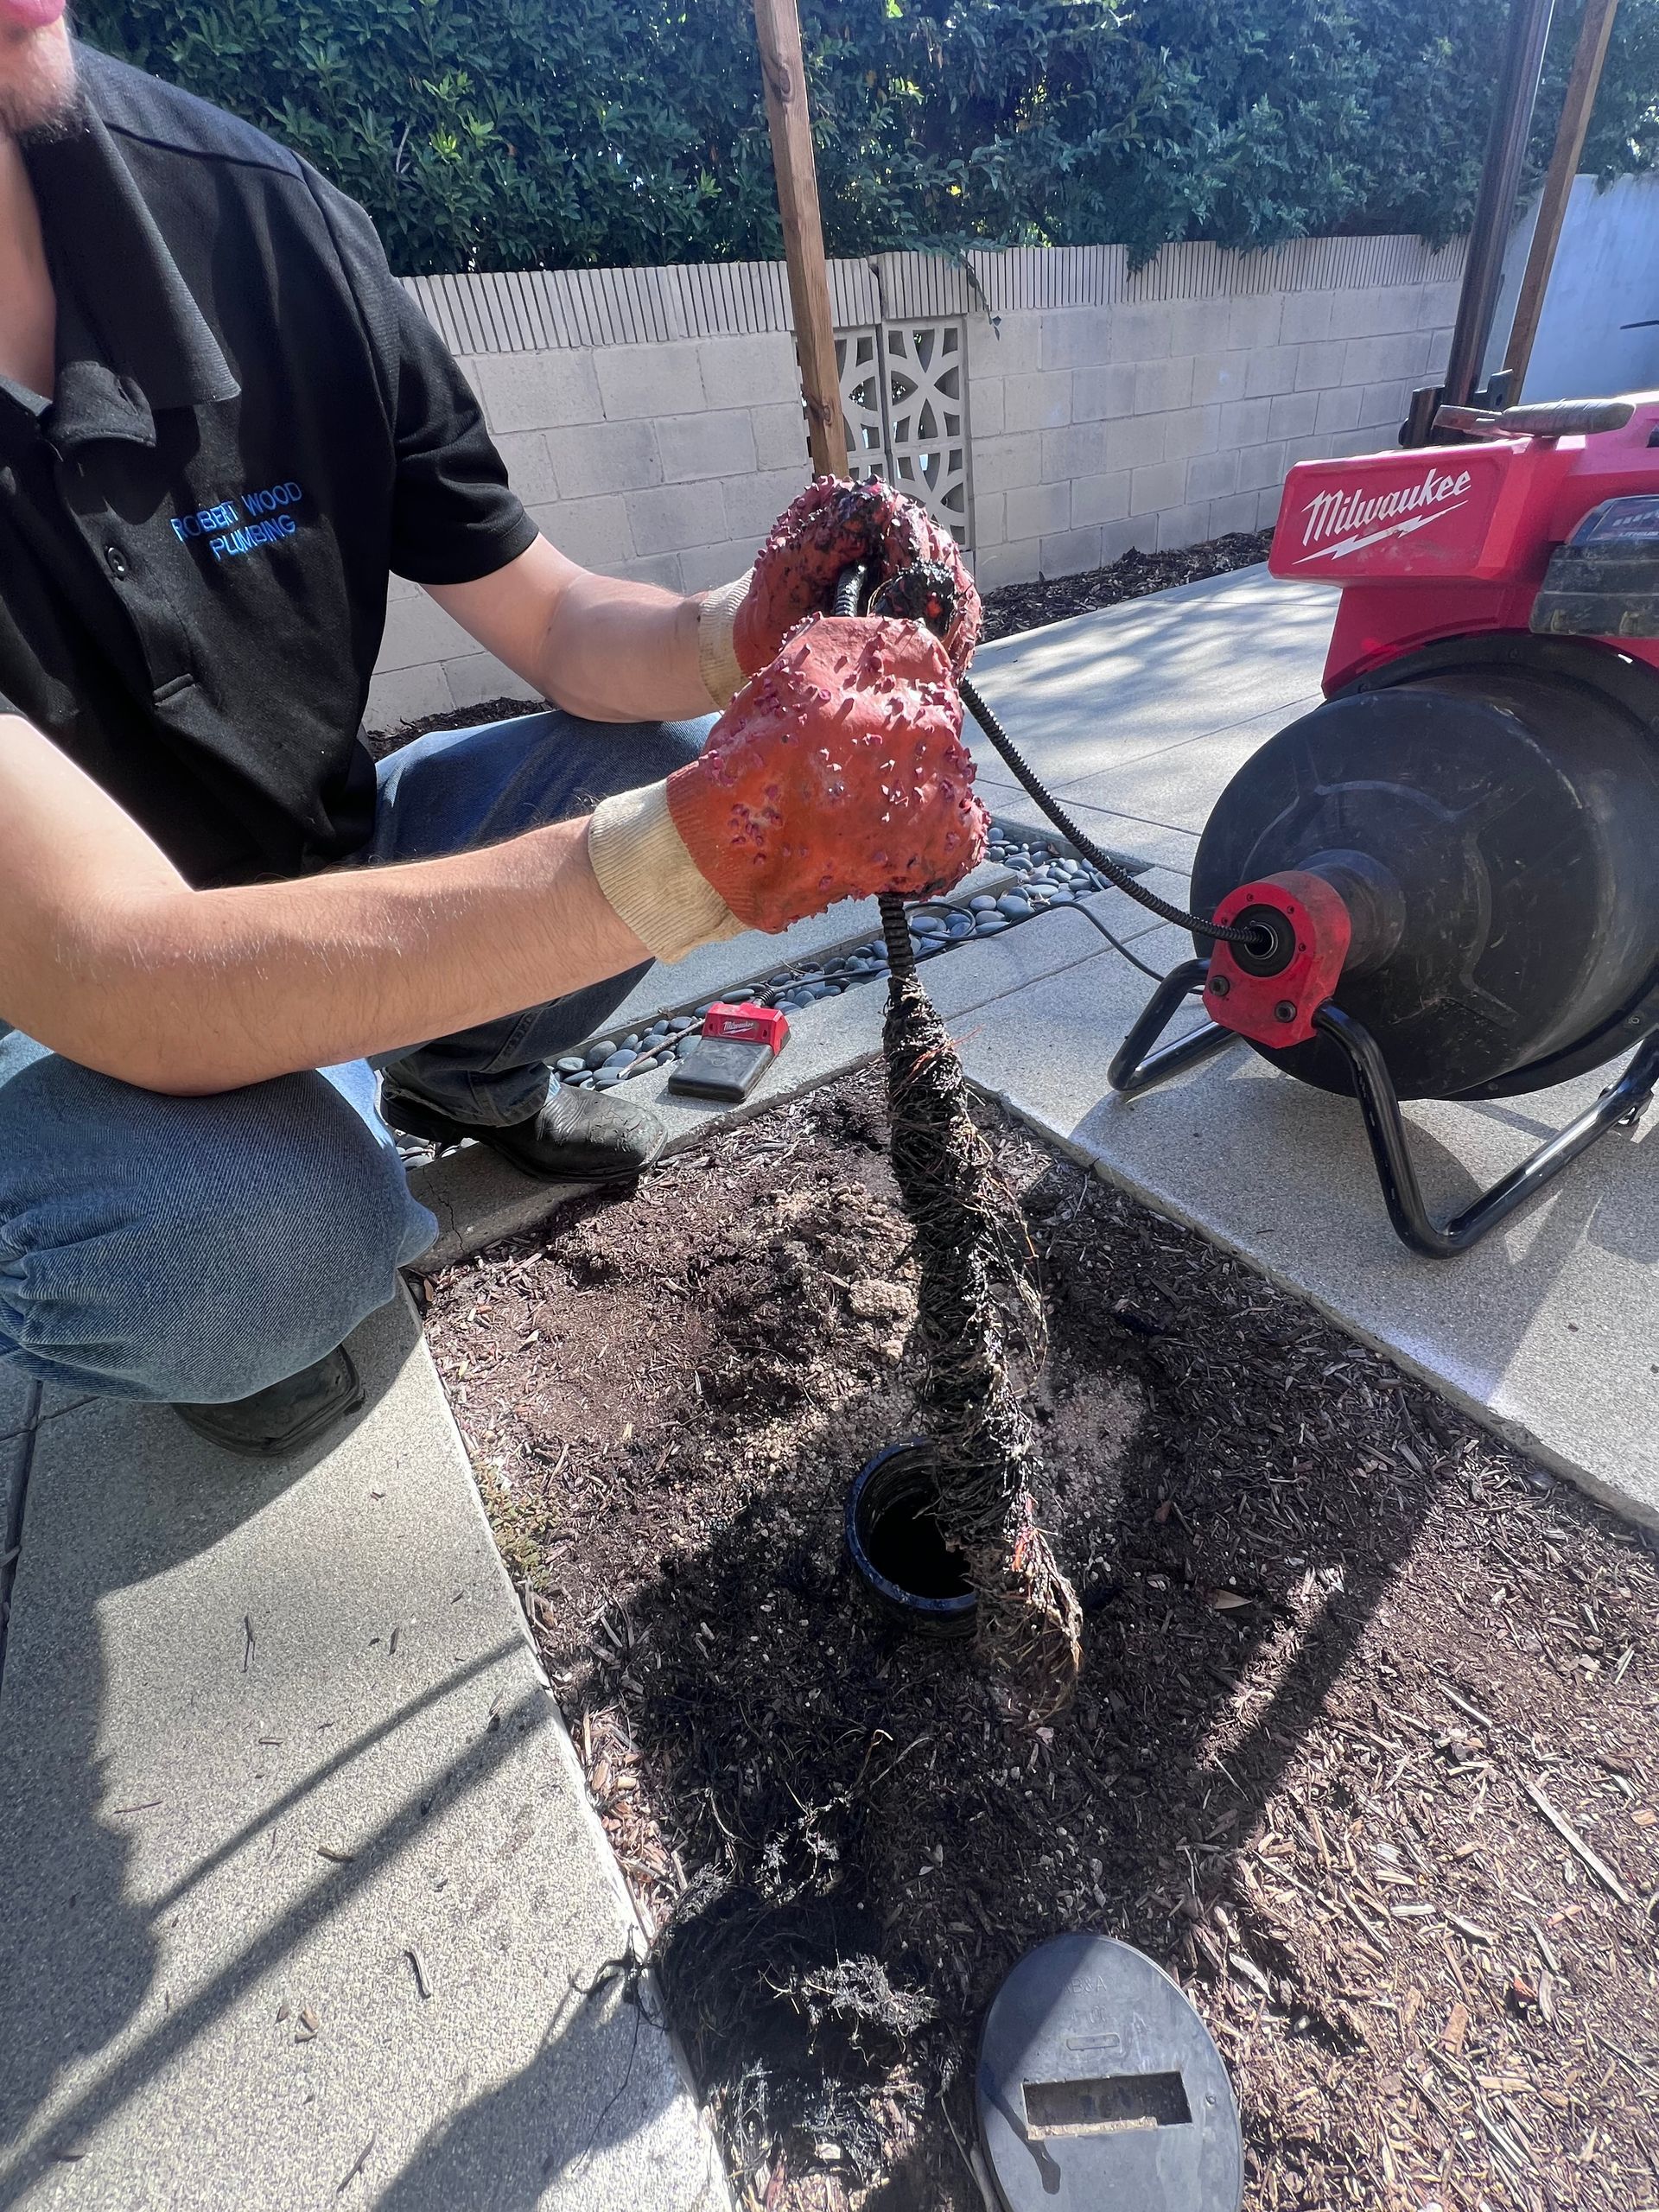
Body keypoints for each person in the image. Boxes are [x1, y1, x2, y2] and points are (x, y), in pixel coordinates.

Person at [0, 7, 985, 1456]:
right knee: (255, 1247)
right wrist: (699, 858)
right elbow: (120, 972)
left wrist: (742, 628)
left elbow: (560, 624)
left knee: (633, 760)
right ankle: (215, 1294)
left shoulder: (266, 229)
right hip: (51, 1015)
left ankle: (460, 1083)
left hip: (321, 861)